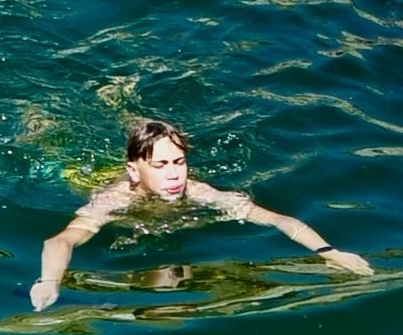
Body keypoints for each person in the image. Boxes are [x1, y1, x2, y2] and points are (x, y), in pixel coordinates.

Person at [28, 116, 372, 309]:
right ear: (135, 171)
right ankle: (40, 127)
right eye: (160, 165)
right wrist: (49, 281)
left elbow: (277, 219)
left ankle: (122, 109)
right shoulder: (114, 201)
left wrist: (329, 252)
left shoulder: (198, 191)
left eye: (179, 162)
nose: (174, 175)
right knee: (57, 161)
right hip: (88, 176)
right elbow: (60, 241)